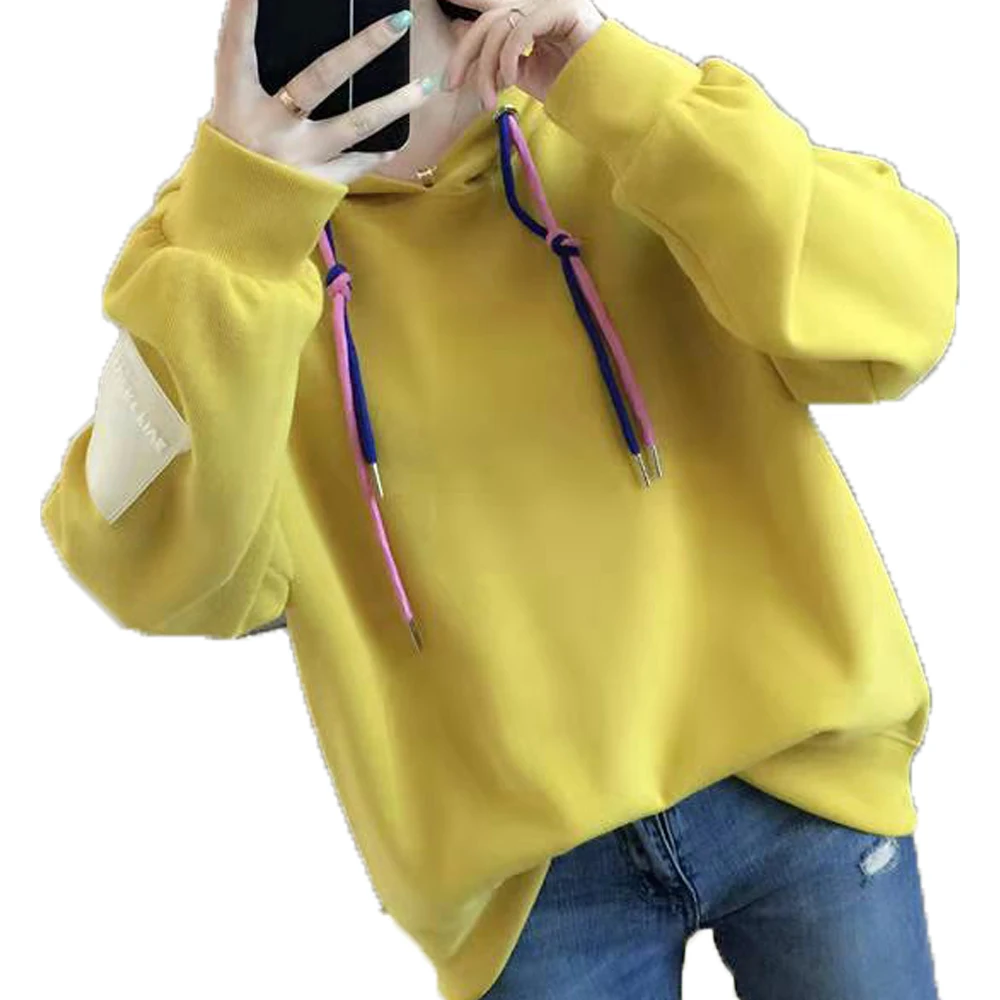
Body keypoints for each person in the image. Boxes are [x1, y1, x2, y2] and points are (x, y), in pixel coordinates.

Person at [40, 1, 958, 997]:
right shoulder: (224, 253)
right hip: (532, 888)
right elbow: (150, 573)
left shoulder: (624, 126)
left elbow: (906, 309)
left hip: (800, 780)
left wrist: (608, 76)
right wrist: (241, 224)